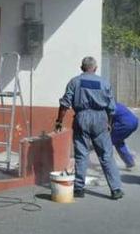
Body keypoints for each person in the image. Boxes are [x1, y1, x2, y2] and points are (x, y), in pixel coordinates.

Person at [55, 56, 124, 200]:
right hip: (101, 118)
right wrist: (109, 123)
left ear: (82, 68)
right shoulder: (104, 83)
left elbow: (65, 104)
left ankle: (79, 188)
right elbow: (111, 108)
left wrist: (59, 121)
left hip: (82, 117)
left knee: (81, 154)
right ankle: (116, 189)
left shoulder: (74, 82)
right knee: (106, 155)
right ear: (96, 68)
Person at [111, 103, 139, 169]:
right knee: (118, 141)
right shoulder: (117, 104)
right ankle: (129, 161)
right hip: (135, 122)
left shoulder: (108, 106)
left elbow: (107, 122)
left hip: (125, 124)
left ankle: (108, 166)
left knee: (107, 142)